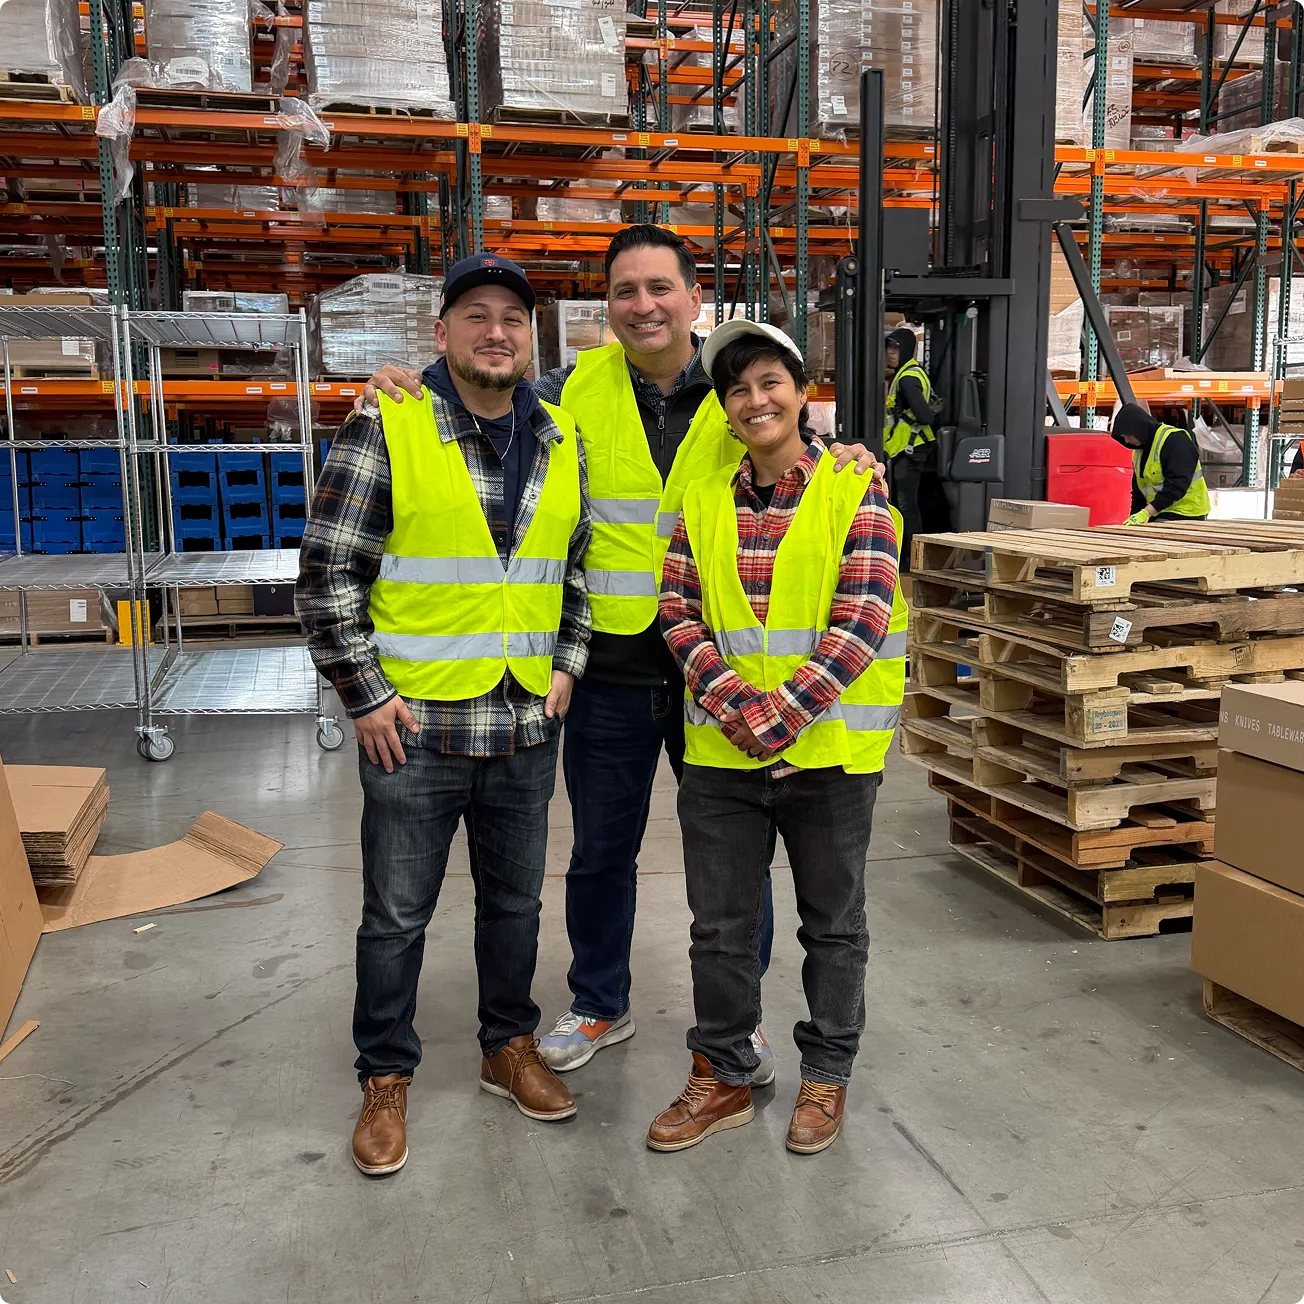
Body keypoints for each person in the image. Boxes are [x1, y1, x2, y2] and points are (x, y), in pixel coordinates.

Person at [356, 225, 885, 1085]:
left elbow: (791, 445)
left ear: (693, 299)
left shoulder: (733, 386)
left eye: (660, 288)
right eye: (625, 291)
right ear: (606, 307)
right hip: (603, 667)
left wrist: (855, 453)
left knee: (737, 863)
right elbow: (481, 392)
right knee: (601, 849)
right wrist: (402, 383)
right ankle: (600, 999)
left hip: (716, 672)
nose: (643, 306)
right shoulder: (569, 390)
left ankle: (737, 1016)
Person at [296, 253, 592, 1178]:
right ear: (442, 334)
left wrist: (569, 665)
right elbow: (326, 573)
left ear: (530, 337)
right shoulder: (388, 424)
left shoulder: (559, 436)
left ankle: (509, 1046)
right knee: (394, 916)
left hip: (522, 725)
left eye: (513, 315)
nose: (496, 330)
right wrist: (367, 692)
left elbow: (572, 569)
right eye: (475, 314)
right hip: (415, 730)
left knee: (515, 905)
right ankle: (386, 1074)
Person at [648, 320, 907, 1156]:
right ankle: (722, 1073)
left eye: (769, 382)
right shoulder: (701, 500)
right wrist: (736, 706)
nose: (754, 399)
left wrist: (781, 715)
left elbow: (863, 615)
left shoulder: (854, 489)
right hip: (723, 758)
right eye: (737, 388)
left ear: (801, 393)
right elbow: (678, 612)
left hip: (830, 757)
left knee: (833, 927)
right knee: (718, 930)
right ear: (724, 409)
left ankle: (825, 1075)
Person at [883, 327, 935, 563]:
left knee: (906, 507)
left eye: (895, 348)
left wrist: (906, 415)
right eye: (888, 348)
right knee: (907, 505)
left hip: (910, 450)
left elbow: (926, 416)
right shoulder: (910, 372)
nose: (890, 353)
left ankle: (911, 560)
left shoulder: (907, 379)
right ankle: (912, 557)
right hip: (907, 449)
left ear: (905, 349)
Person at [1111, 402, 1210, 523]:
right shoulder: (1139, 451)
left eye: (1129, 436)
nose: (1127, 440)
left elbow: (1177, 485)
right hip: (1160, 511)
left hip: (1187, 513)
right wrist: (1134, 517)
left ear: (1139, 429)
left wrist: (1146, 512)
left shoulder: (1175, 440)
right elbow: (1139, 492)